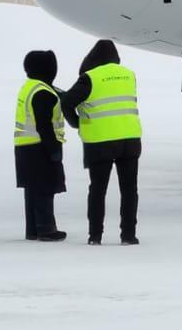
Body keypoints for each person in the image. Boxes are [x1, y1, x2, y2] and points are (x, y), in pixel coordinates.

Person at [60, 39, 142, 245]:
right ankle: (128, 236)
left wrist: (77, 123)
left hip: (100, 142)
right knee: (129, 190)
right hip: (130, 140)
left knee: (98, 189)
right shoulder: (129, 75)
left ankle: (95, 236)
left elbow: (66, 102)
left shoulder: (90, 78)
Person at [14, 50, 67, 242]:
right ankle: (46, 229)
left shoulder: (30, 87)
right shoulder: (43, 93)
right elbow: (43, 125)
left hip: (24, 146)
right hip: (39, 146)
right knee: (45, 188)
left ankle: (33, 229)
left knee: (33, 189)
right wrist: (53, 148)